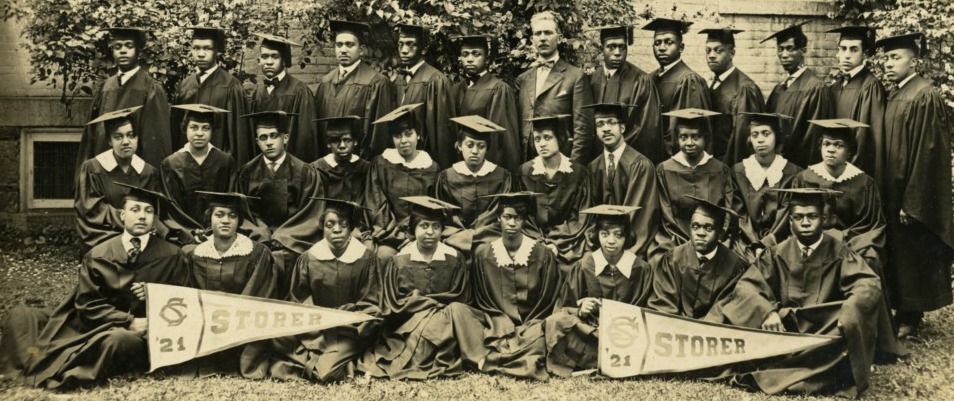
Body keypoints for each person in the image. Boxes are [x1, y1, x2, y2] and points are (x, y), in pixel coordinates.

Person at [709, 188, 901, 397]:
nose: (806, 223)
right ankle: (808, 372)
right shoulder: (776, 253)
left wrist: (849, 312)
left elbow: (867, 284)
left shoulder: (840, 252)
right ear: (790, 221)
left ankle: (796, 371)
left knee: (844, 324)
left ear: (824, 218)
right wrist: (767, 312)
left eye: (812, 216)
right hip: (782, 327)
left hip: (823, 329)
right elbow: (748, 286)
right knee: (733, 309)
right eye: (798, 217)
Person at [0, 184, 190, 389]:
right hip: (95, 324)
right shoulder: (99, 254)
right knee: (23, 317)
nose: (142, 216)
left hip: (142, 333)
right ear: (122, 215)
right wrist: (127, 320)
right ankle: (33, 364)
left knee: (118, 340)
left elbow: (183, 302)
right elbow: (87, 305)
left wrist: (154, 296)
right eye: (135, 210)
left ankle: (72, 370)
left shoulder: (172, 255)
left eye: (148, 211)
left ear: (155, 219)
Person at [241, 198, 380, 382]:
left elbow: (370, 303)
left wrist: (341, 319)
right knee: (276, 338)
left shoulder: (365, 259)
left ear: (351, 229)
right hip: (315, 327)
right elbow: (299, 299)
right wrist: (318, 324)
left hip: (349, 328)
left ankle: (324, 360)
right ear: (322, 228)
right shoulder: (308, 258)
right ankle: (337, 359)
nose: (336, 230)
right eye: (330, 225)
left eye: (343, 224)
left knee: (325, 374)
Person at [875, 32, 953, 337]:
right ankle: (901, 308)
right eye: (886, 58)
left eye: (896, 57)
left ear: (915, 61)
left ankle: (911, 314)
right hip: (892, 190)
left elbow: (928, 153)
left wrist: (912, 200)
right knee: (898, 251)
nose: (889, 63)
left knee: (911, 251)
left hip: (908, 193)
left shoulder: (924, 95)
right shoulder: (897, 92)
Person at [448, 192, 562, 381]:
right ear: (499, 218)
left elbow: (549, 299)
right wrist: (498, 322)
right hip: (495, 324)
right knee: (458, 310)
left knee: (550, 328)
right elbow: (480, 299)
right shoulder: (484, 255)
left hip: (532, 324)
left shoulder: (542, 254)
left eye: (517, 218)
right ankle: (518, 358)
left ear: (524, 221)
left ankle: (491, 359)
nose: (511, 223)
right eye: (507, 217)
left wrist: (530, 326)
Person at [359, 196, 470, 379]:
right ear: (413, 229)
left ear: (442, 230)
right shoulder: (399, 261)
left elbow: (461, 298)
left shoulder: (454, 258)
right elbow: (393, 304)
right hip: (407, 326)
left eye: (436, 226)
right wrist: (427, 310)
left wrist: (430, 309)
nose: (430, 232)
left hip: (446, 322)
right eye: (424, 226)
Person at [544, 205, 654, 377]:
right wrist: (580, 309)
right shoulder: (585, 265)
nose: (611, 241)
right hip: (591, 332)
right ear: (597, 236)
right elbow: (565, 307)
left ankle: (593, 362)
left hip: (626, 334)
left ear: (627, 237)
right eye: (604, 234)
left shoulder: (640, 269)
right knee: (556, 321)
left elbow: (646, 311)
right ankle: (604, 362)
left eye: (618, 235)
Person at [769, 119, 886, 271]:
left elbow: (872, 225)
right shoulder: (804, 178)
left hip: (853, 242)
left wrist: (840, 238)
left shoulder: (865, 183)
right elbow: (792, 219)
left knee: (869, 258)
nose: (831, 149)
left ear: (849, 152)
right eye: (826, 144)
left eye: (838, 145)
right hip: (811, 239)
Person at [181, 191, 277, 377]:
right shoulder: (195, 255)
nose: (226, 220)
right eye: (219, 215)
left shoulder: (257, 253)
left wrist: (232, 316)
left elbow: (260, 294)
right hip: (206, 324)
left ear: (239, 221)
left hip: (244, 324)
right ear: (209, 219)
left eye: (232, 216)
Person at [235, 111, 323, 300]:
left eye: (274, 136)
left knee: (287, 258)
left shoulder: (305, 171)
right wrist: (262, 233)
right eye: (263, 138)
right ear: (257, 141)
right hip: (258, 238)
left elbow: (310, 213)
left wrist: (282, 237)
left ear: (285, 137)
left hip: (293, 240)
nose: (269, 142)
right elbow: (244, 212)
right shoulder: (246, 172)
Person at [78, 27, 170, 172]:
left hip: (135, 177)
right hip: (103, 175)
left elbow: (155, 145)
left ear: (138, 51)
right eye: (117, 46)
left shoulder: (151, 89)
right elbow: (91, 137)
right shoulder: (105, 87)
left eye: (129, 45)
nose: (123, 51)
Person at [75, 106, 161, 254]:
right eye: (118, 137)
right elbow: (91, 212)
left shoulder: (149, 172)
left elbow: (156, 214)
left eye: (131, 135)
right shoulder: (93, 169)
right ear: (109, 140)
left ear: (137, 138)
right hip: (105, 239)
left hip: (142, 238)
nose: (125, 141)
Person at [653, 109, 742, 250]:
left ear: (706, 138)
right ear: (677, 139)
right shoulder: (664, 170)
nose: (689, 142)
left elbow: (727, 210)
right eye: (683, 137)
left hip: (715, 240)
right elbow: (666, 214)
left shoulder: (720, 170)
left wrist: (717, 238)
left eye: (696, 137)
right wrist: (686, 245)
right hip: (674, 241)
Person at [648, 196, 749, 319]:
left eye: (708, 228)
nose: (700, 233)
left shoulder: (736, 267)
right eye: (695, 227)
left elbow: (727, 308)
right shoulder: (672, 259)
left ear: (720, 234)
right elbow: (663, 305)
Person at [516, 11, 595, 164]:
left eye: (548, 33)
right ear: (532, 40)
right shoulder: (523, 79)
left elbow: (583, 130)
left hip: (562, 163)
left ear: (559, 38)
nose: (543, 38)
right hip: (528, 164)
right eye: (538, 34)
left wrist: (572, 169)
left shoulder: (575, 76)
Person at [584, 103, 661, 258]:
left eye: (612, 122)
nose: (606, 128)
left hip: (631, 244)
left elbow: (641, 215)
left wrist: (623, 250)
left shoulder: (641, 165)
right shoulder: (592, 168)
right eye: (600, 124)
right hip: (602, 243)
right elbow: (590, 216)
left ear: (623, 128)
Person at [365, 104, 441, 261]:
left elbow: (432, 208)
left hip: (420, 234)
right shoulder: (381, 164)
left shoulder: (431, 168)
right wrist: (394, 233)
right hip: (388, 235)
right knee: (383, 256)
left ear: (418, 135)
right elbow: (376, 203)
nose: (403, 141)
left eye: (408, 134)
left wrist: (413, 233)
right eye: (397, 136)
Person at [515, 115, 591, 272]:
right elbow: (523, 215)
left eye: (547, 137)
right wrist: (540, 242)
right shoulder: (524, 172)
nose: (542, 143)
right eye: (537, 139)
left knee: (574, 268)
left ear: (560, 138)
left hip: (568, 242)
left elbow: (578, 217)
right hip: (532, 239)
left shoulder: (577, 173)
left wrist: (555, 243)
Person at [315, 21, 396, 160]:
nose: (343, 50)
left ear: (362, 49)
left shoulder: (377, 82)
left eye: (349, 44)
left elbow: (379, 135)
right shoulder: (326, 82)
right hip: (329, 166)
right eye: (339, 45)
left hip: (361, 167)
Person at [172, 27, 252, 165]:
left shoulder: (231, 86)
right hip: (185, 168)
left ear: (216, 51)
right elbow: (175, 133)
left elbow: (239, 140)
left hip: (219, 170)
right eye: (196, 48)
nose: (201, 54)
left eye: (207, 48)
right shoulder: (184, 86)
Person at [434, 115, 514, 254]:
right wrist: (462, 235)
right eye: (469, 145)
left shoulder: (502, 176)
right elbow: (444, 215)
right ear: (459, 146)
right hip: (454, 235)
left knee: (485, 251)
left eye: (481, 146)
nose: (475, 151)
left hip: (489, 236)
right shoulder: (446, 177)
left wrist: (471, 235)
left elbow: (499, 214)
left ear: (487, 149)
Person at [587, 25, 664, 164]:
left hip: (629, 161)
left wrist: (614, 150)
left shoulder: (640, 80)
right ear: (601, 49)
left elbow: (646, 129)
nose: (617, 52)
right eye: (611, 47)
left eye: (622, 47)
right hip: (596, 161)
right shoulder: (593, 79)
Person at [762, 21, 834, 168]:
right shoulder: (779, 88)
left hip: (800, 166)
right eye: (780, 49)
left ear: (803, 50)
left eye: (790, 49)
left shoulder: (815, 87)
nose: (784, 54)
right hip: (777, 165)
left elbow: (813, 137)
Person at [160, 104, 239, 237]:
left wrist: (212, 230)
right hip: (183, 234)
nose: (200, 133)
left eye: (206, 128)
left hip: (219, 233)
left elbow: (230, 202)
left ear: (212, 131)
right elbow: (172, 209)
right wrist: (189, 232)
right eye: (194, 127)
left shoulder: (225, 162)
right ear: (185, 129)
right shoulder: (171, 164)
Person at [643, 18, 713, 156]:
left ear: (680, 47)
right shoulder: (650, 79)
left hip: (675, 161)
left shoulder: (688, 80)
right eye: (657, 43)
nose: (662, 47)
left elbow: (685, 130)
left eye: (669, 42)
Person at [393, 24, 458, 167]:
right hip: (401, 159)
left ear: (423, 49)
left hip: (426, 161)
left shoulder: (436, 80)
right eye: (401, 44)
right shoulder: (398, 79)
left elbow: (442, 132)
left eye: (411, 45)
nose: (404, 50)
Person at [454, 35, 522, 172]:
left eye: (476, 54)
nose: (469, 59)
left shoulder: (498, 89)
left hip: (487, 170)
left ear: (486, 58)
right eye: (465, 54)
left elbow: (501, 141)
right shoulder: (457, 88)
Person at [732, 113, 801, 246]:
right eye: (755, 134)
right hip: (744, 242)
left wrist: (767, 244)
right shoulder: (738, 172)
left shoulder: (793, 173)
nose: (760, 140)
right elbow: (739, 214)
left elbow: (786, 215)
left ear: (777, 137)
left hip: (781, 242)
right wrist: (754, 244)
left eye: (766, 133)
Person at [249, 33, 319, 163]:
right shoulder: (257, 93)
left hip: (291, 167)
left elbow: (305, 138)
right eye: (264, 57)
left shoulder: (299, 91)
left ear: (284, 60)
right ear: (259, 61)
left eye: (275, 57)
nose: (269, 62)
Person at [699, 28, 765, 164]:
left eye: (718, 50)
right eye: (708, 50)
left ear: (731, 53)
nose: (711, 55)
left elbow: (743, 140)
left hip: (730, 165)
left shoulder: (744, 88)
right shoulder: (713, 84)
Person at [827, 26, 885, 175]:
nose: (846, 55)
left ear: (864, 54)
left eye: (853, 50)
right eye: (843, 49)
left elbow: (865, 138)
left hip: (854, 170)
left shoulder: (870, 86)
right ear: (837, 52)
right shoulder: (834, 87)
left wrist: (848, 171)